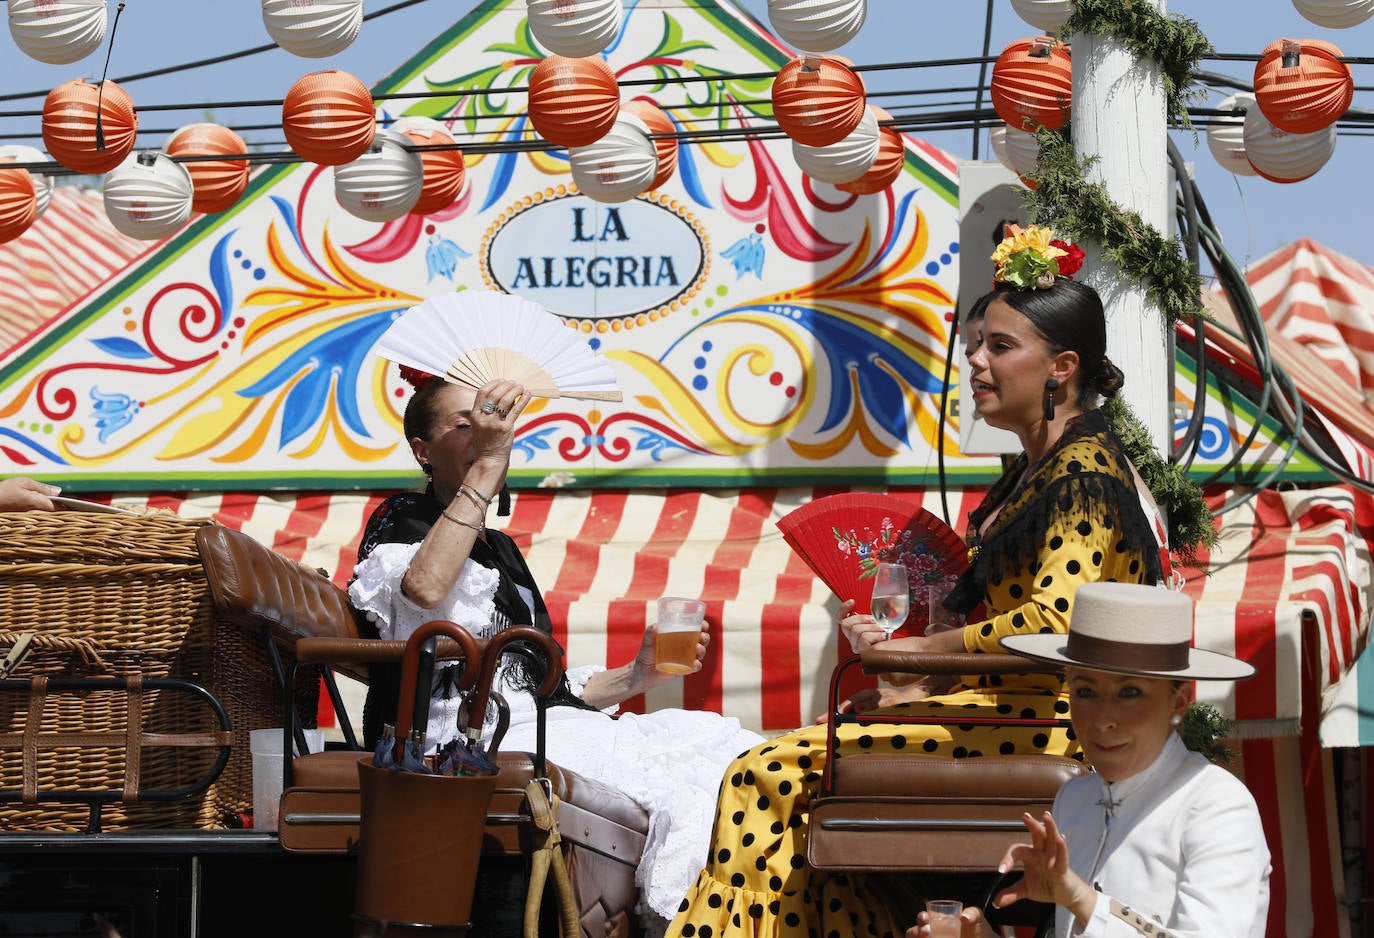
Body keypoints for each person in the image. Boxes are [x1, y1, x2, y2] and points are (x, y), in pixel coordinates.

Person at [667, 226, 1165, 938]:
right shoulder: (1033, 475)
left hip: (1051, 726)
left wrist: (922, 651)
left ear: (1062, 367)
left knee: (761, 773)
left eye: (1000, 346)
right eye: (977, 345)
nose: (977, 362)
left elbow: (1054, 622)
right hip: (1003, 712)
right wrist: (913, 677)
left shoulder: (1083, 474)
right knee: (815, 817)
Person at [348, 371, 763, 932]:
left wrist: (638, 672)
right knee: (680, 787)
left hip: (528, 722)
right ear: (423, 451)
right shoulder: (403, 517)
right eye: (467, 425)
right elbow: (423, 588)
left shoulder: (503, 549)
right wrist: (489, 465)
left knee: (732, 757)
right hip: (461, 735)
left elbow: (543, 688)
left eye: (495, 423)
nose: (487, 434)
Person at [908, 582, 1270, 938]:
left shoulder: (1217, 806)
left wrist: (1080, 898)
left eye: (1129, 692)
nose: (1102, 718)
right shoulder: (1075, 799)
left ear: (1178, 701)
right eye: (1085, 691)